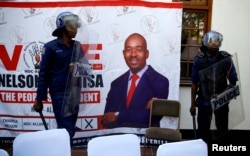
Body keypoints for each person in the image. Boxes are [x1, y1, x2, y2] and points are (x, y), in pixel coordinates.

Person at [33, 11, 88, 147]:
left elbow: (87, 69)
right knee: (66, 130)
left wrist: (76, 68)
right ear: (62, 27)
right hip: (59, 95)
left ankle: (60, 150)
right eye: (71, 26)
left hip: (74, 93)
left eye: (75, 26)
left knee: (68, 130)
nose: (74, 30)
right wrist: (39, 99)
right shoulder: (50, 47)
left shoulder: (77, 46)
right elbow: (43, 74)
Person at [101, 33, 169, 128]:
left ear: (147, 54)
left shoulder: (160, 81)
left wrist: (117, 116)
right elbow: (106, 119)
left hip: (145, 140)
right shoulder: (116, 84)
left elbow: (153, 117)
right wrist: (142, 112)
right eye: (129, 49)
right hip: (118, 139)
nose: (133, 54)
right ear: (124, 54)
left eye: (139, 50)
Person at [189, 30, 238, 144]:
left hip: (221, 101)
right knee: (203, 131)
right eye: (212, 41)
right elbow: (194, 83)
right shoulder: (199, 59)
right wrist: (192, 104)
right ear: (206, 43)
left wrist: (220, 95)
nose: (214, 44)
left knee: (222, 131)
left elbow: (233, 82)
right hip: (203, 101)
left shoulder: (225, 58)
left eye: (217, 41)